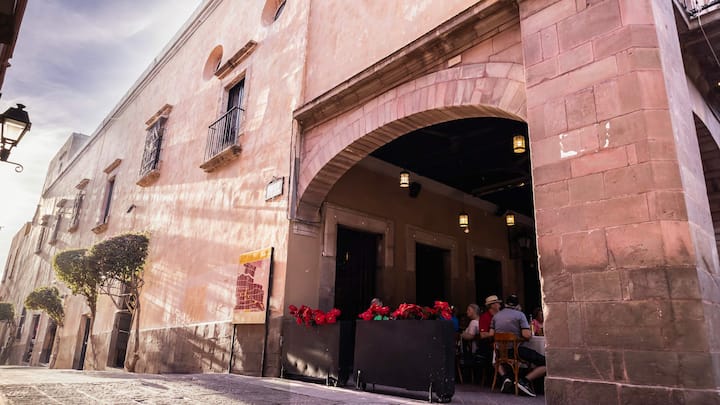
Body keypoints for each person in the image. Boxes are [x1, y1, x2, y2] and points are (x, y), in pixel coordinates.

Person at [490, 294, 546, 397]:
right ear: (517, 305)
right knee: (546, 363)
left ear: (505, 303)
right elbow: (527, 335)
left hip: (500, 352)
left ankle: (506, 378)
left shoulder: (496, 316)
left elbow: (491, 334)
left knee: (499, 359)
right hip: (515, 351)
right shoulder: (519, 315)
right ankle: (524, 381)